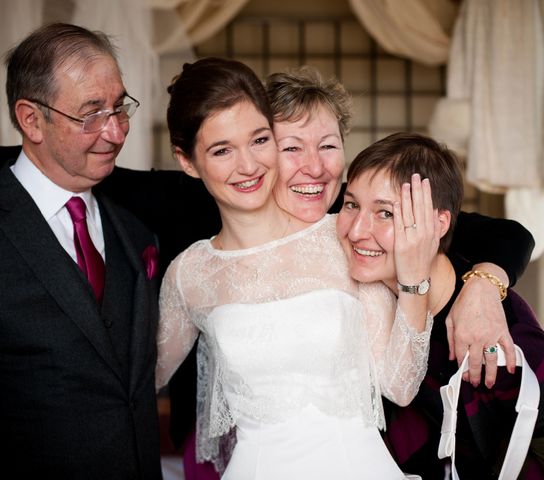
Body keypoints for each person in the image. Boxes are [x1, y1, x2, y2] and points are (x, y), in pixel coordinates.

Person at [0, 64, 535, 475]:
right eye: (286, 145)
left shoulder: (350, 232)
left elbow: (483, 237)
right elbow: (127, 377)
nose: (310, 167)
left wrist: (470, 283)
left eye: (327, 147)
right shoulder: (190, 257)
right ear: (193, 162)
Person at [155, 56, 441, 479]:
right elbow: (138, 381)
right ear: (189, 161)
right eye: (222, 150)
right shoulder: (190, 273)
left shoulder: (344, 235)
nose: (248, 165)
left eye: (258, 142)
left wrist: (422, 278)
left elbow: (398, 386)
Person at [0, 23, 162, 479]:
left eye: (120, 107)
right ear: (30, 119)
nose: (116, 132)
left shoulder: (136, 226)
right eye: (91, 114)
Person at [336, 132, 544, 479]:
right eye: (351, 204)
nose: (357, 230)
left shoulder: (498, 337)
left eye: (385, 213)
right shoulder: (369, 304)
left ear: (439, 224)